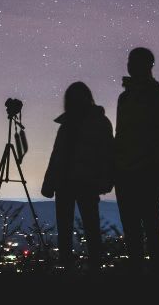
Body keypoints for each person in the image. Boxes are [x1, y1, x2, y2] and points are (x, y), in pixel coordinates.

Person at [41, 81, 114, 271]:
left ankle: (83, 268)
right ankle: (82, 268)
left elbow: (107, 153)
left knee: (82, 228)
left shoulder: (87, 123)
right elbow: (57, 155)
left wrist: (49, 183)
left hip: (81, 182)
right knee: (83, 228)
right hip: (74, 182)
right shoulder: (91, 123)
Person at [114, 47, 159, 275]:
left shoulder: (157, 97)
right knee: (133, 226)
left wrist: (141, 157)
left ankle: (153, 276)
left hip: (147, 171)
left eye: (135, 62)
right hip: (128, 171)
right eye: (129, 61)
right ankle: (138, 274)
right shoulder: (126, 97)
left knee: (150, 224)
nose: (130, 65)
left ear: (148, 65)